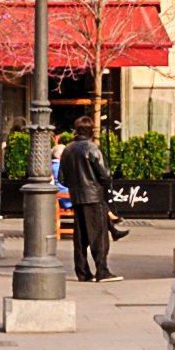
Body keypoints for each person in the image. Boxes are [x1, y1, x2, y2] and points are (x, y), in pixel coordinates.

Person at [61, 117, 116, 283]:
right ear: (91, 131)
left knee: (80, 236)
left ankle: (83, 271)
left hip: (76, 197)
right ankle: (102, 270)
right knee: (99, 234)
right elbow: (104, 175)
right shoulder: (92, 148)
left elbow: (62, 178)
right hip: (93, 196)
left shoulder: (68, 150)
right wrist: (105, 181)